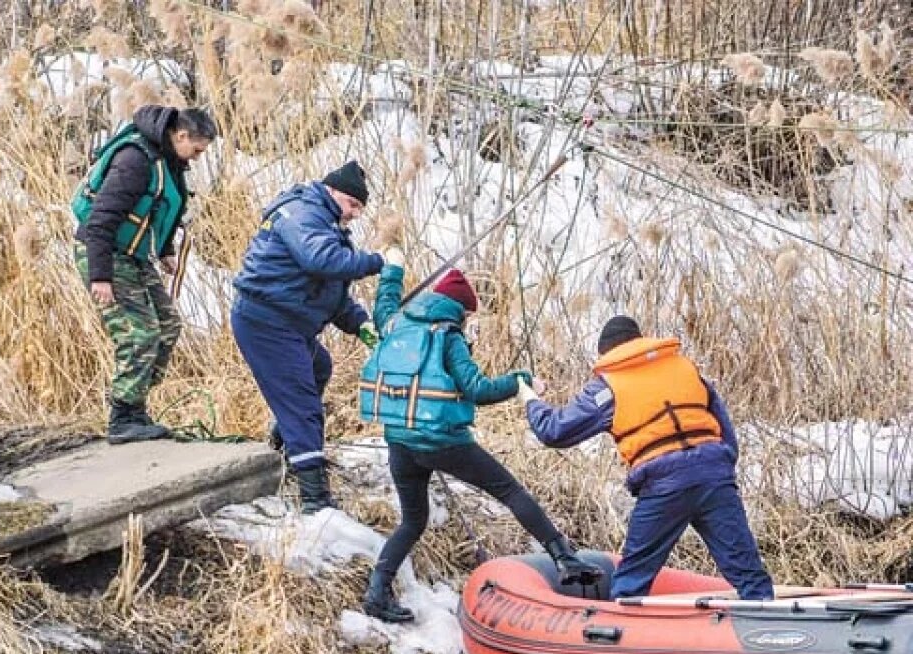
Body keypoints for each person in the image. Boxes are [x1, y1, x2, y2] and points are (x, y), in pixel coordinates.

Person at [358, 266, 602, 623]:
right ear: (459, 309)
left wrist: (393, 269)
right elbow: (477, 389)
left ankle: (377, 591)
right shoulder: (448, 334)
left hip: (399, 440)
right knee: (509, 491)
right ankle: (565, 558)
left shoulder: (395, 322)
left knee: (413, 520)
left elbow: (384, 301)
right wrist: (521, 380)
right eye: (468, 315)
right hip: (442, 440)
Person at [522, 315, 774, 601]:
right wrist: (720, 468)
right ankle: (767, 617)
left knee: (631, 582)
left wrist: (530, 399)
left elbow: (554, 431)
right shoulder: (685, 368)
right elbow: (724, 425)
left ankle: (619, 626)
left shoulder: (608, 386)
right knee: (748, 573)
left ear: (606, 352)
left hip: (664, 486)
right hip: (714, 475)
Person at [232, 160, 388, 514]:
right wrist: (379, 262)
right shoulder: (303, 214)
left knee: (319, 368)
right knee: (302, 404)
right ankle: (315, 500)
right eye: (352, 204)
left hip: (288, 323)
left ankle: (283, 445)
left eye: (360, 209)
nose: (355, 214)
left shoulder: (324, 222)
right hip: (265, 321)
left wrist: (360, 323)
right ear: (333, 191)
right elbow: (322, 261)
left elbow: (327, 289)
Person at [74, 105, 218, 444]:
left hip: (133, 254)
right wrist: (100, 277)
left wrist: (165, 250)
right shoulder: (135, 160)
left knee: (168, 326)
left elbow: (165, 207)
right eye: (197, 150)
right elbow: (100, 219)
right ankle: (122, 416)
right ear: (181, 135)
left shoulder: (169, 160)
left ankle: (134, 404)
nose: (197, 158)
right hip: (105, 253)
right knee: (140, 334)